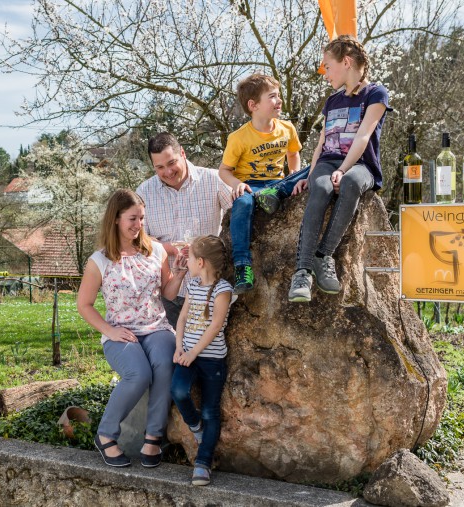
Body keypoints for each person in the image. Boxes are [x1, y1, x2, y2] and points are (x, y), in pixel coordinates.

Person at [77, 189, 187, 468]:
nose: (138, 225)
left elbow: (169, 294)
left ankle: (153, 438)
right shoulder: (98, 261)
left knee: (165, 364)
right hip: (120, 333)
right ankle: (105, 435)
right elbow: (85, 305)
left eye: (141, 218)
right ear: (115, 219)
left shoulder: (156, 250)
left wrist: (181, 274)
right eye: (132, 219)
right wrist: (110, 331)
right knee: (138, 374)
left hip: (156, 327)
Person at [288, 35, 391, 303]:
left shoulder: (376, 94)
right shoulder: (332, 101)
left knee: (351, 183)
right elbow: (322, 142)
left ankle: (324, 255)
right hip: (328, 162)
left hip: (360, 165)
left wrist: (344, 170)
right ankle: (302, 271)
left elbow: (363, 136)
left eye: (327, 66)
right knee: (320, 187)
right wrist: (310, 175)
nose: (325, 74)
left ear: (346, 62)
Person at [218, 73, 306, 294]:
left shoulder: (287, 128)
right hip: (251, 185)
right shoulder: (238, 138)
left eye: (279, 96)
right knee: (243, 204)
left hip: (278, 184)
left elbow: (293, 154)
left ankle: (276, 191)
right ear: (253, 105)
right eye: (273, 97)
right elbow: (224, 170)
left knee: (315, 167)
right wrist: (237, 184)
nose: (279, 101)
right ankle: (242, 265)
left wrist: (295, 174)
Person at [137, 132, 232, 326]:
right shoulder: (144, 192)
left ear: (183, 153)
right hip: (169, 292)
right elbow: (138, 240)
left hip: (211, 288)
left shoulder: (214, 180)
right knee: (175, 352)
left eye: (172, 163)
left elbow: (239, 220)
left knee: (208, 350)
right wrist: (168, 248)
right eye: (160, 167)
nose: (168, 172)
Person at [170, 235, 233, 486]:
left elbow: (215, 325)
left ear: (202, 262)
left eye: (192, 258)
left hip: (211, 360)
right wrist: (178, 347)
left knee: (210, 410)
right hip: (186, 356)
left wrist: (193, 353)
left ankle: (203, 463)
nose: (189, 262)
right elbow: (183, 318)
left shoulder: (223, 289)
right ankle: (195, 427)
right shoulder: (192, 285)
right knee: (179, 391)